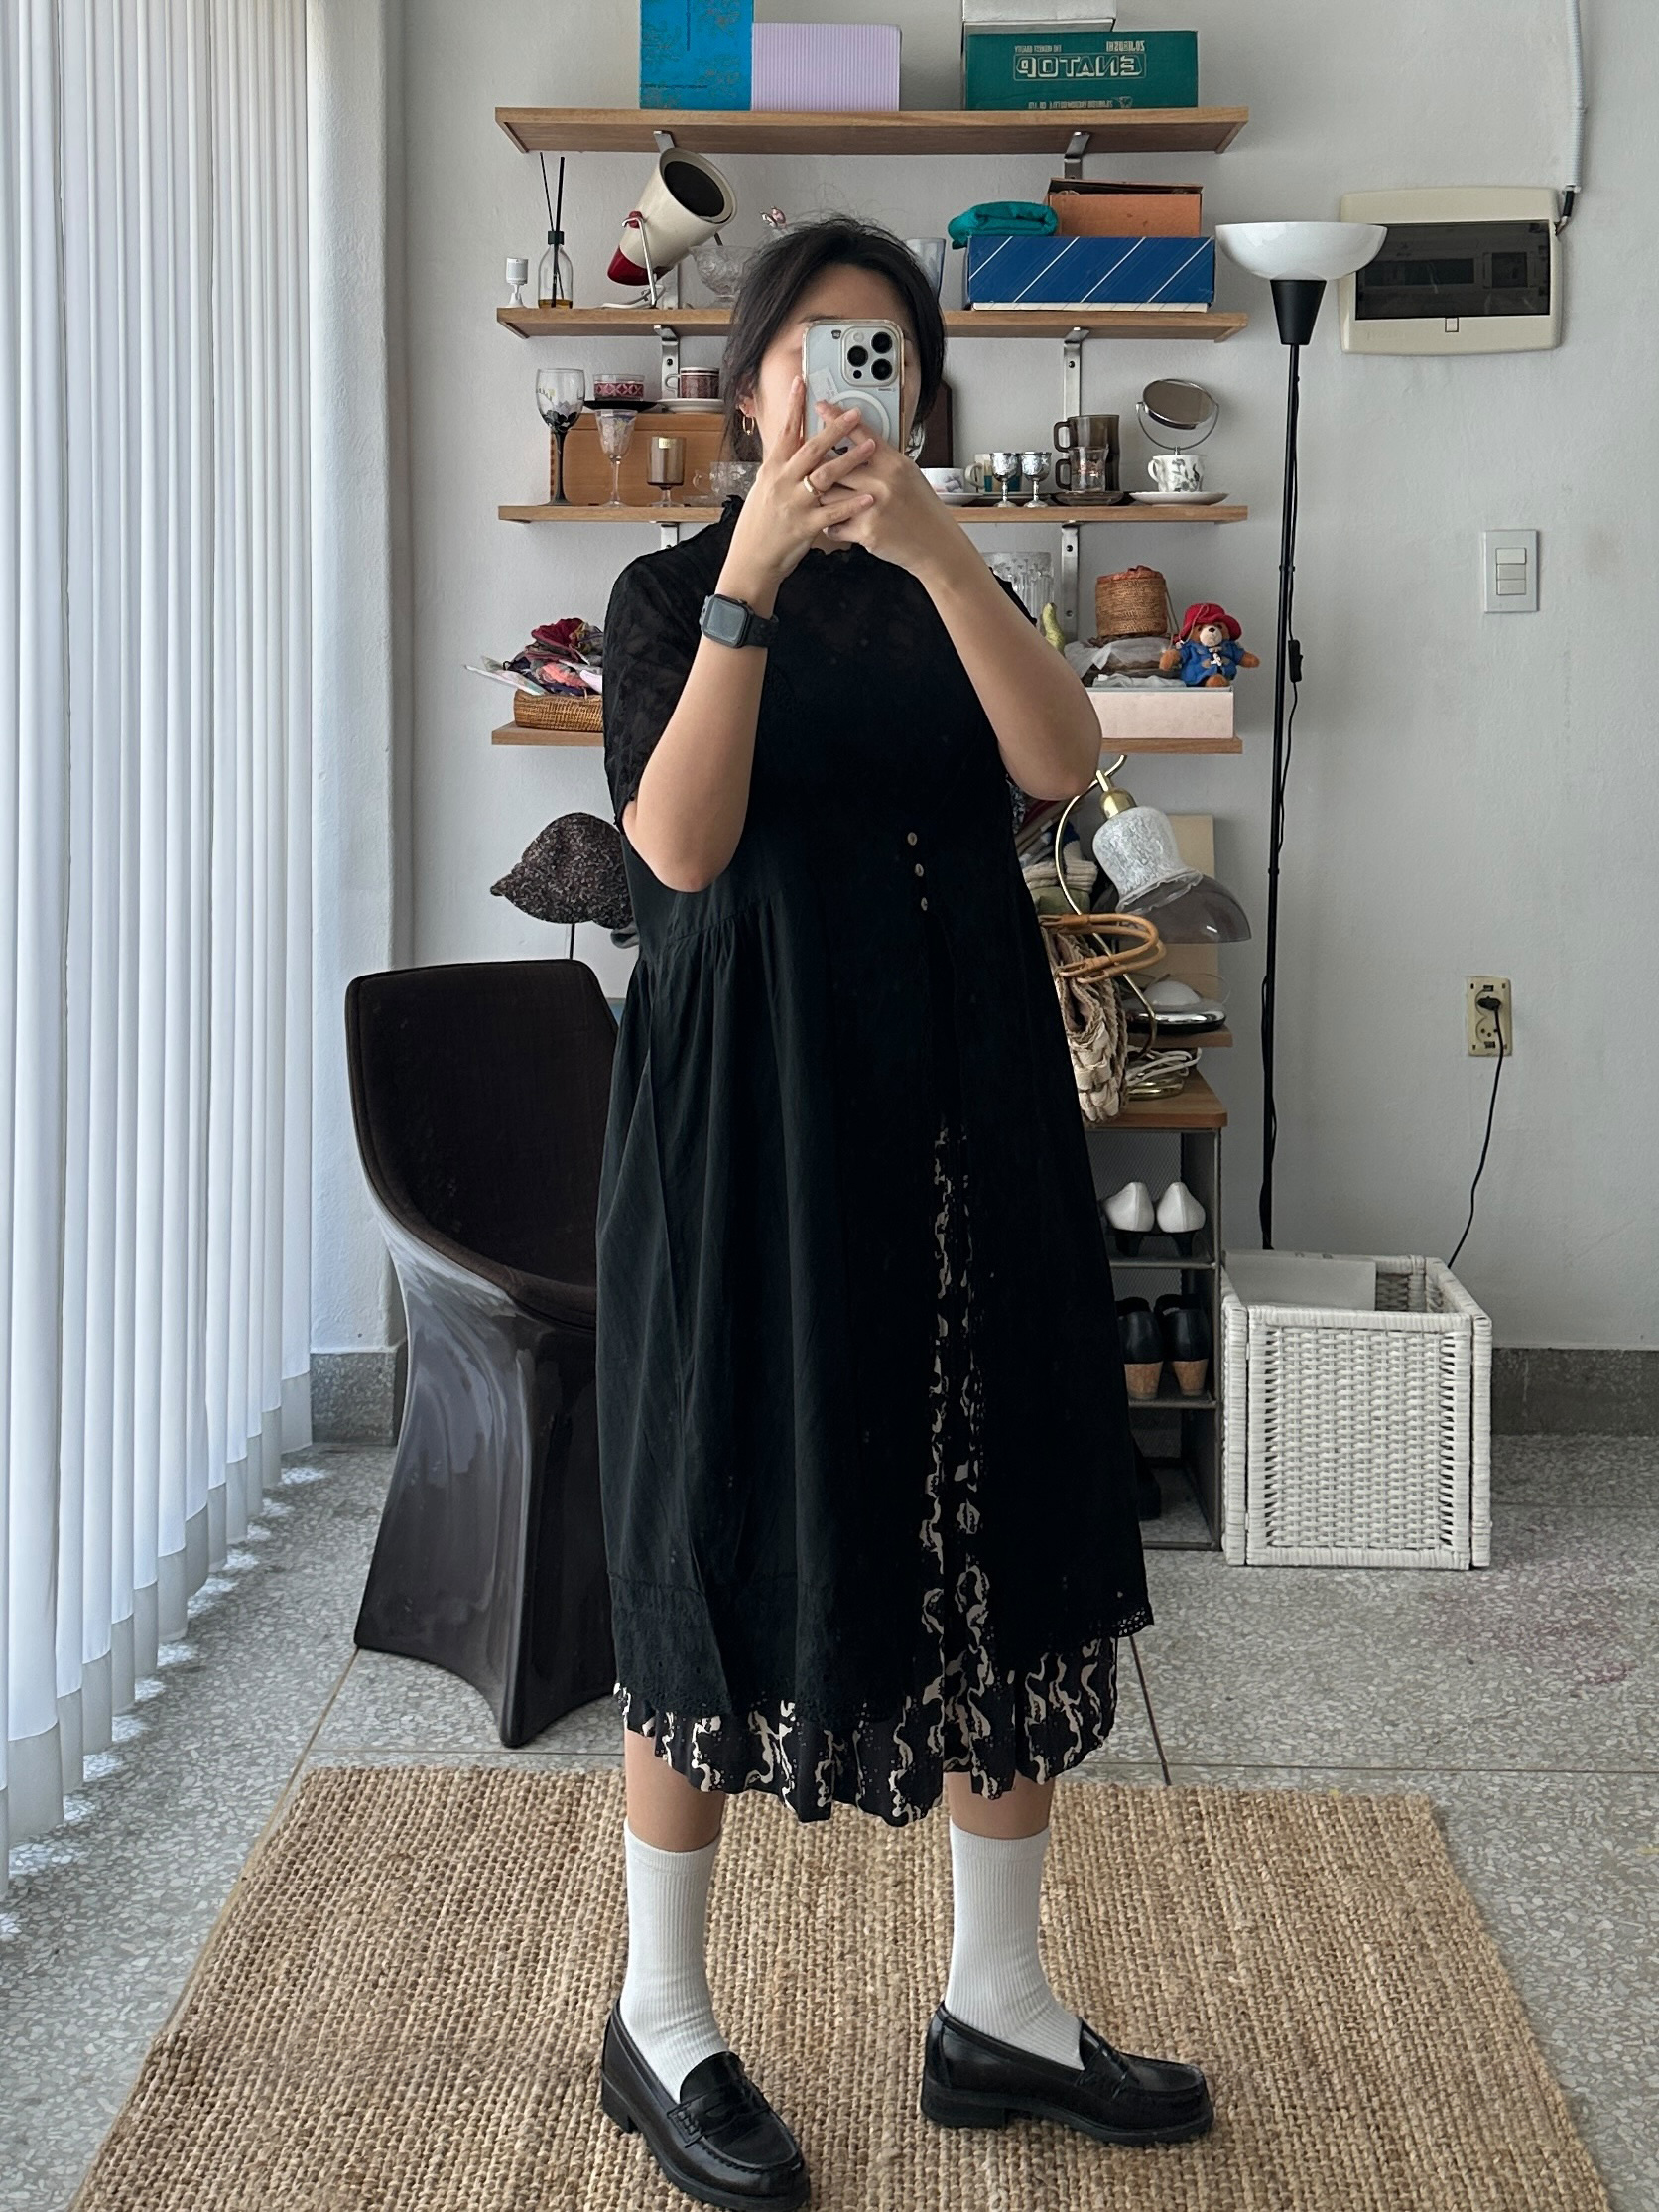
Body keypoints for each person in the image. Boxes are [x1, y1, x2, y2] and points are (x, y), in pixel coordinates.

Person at [593, 215, 1212, 2209]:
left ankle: (997, 2003)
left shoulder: (965, 582)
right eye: (814, 348)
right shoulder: (663, 591)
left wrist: (945, 556)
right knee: (718, 1511)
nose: (848, 383)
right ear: (747, 386)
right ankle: (658, 2011)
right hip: (748, 1125)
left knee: (998, 1504)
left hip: (965, 1108)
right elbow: (679, 846)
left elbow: (1062, 762)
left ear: (922, 396)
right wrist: (753, 586)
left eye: (885, 354)